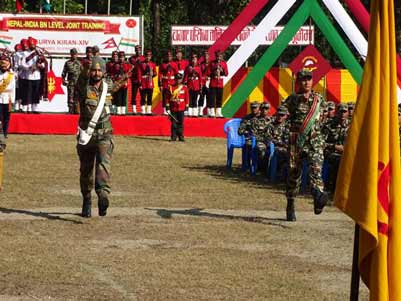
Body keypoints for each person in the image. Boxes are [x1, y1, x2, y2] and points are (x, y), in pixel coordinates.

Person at [282, 69, 328, 221]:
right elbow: (281, 115)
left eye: (309, 79)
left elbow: (324, 117)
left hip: (315, 142)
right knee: (294, 175)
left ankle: (318, 197)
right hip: (297, 143)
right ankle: (291, 203)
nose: (306, 82)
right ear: (298, 82)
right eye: (303, 79)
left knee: (316, 170)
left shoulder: (318, 99)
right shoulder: (292, 99)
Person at [76, 57, 114, 218]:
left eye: (99, 70)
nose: (96, 73)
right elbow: (82, 78)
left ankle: (103, 195)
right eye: (93, 70)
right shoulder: (84, 87)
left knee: (103, 166)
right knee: (86, 169)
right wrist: (86, 65)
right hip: (87, 135)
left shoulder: (108, 86)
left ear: (104, 72)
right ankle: (86, 200)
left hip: (105, 133)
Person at [322, 103, 349, 196]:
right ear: (337, 113)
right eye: (341, 112)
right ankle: (331, 189)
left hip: (347, 153)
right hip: (330, 153)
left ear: (348, 113)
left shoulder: (352, 126)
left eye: (345, 112)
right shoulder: (329, 125)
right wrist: (334, 146)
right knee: (337, 160)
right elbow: (322, 142)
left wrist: (344, 149)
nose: (342, 114)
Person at [264, 105, 290, 181]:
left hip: (287, 147)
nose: (280, 117)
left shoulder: (288, 125)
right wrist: (281, 143)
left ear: (286, 116)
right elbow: (268, 139)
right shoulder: (271, 125)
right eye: (279, 115)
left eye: (282, 115)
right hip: (275, 148)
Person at [166, 73, 189, 142]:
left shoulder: (184, 88)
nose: (178, 80)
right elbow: (167, 98)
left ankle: (181, 137)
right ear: (175, 79)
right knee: (174, 124)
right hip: (173, 108)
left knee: (181, 123)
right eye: (176, 79)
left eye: (179, 79)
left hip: (181, 108)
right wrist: (167, 108)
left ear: (181, 80)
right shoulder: (171, 88)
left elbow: (186, 98)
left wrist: (186, 106)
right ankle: (173, 137)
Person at [207, 50, 228, 117]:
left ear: (222, 56)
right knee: (212, 98)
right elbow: (208, 72)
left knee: (219, 98)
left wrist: (222, 71)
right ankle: (212, 112)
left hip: (220, 83)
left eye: (220, 56)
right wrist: (213, 71)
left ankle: (218, 112)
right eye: (217, 56)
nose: (218, 58)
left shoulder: (224, 63)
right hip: (213, 82)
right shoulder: (212, 63)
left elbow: (226, 73)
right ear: (216, 56)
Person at [61, 48, 82, 114]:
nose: (74, 56)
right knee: (70, 98)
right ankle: (70, 111)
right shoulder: (67, 63)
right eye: (73, 54)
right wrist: (63, 80)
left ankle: (77, 112)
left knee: (77, 98)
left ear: (77, 55)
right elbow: (64, 73)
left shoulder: (79, 63)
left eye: (75, 54)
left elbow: (83, 72)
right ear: (71, 54)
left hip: (78, 83)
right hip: (71, 83)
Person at [158, 50, 178, 115]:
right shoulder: (162, 64)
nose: (169, 57)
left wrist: (177, 83)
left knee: (172, 97)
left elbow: (176, 74)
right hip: (165, 83)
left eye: (170, 56)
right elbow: (160, 75)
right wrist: (160, 85)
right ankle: (165, 110)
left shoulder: (174, 64)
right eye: (167, 56)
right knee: (165, 97)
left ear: (172, 56)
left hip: (172, 83)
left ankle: (172, 109)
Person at [0, 54, 15, 137]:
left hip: (8, 99)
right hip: (0, 98)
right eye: (2, 64)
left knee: (6, 118)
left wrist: (12, 100)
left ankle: (5, 133)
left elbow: (13, 89)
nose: (4, 66)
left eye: (5, 64)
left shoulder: (11, 75)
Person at [137, 49, 156, 115]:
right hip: (143, 82)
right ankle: (143, 110)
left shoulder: (153, 64)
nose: (148, 57)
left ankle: (149, 110)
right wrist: (140, 83)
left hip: (150, 82)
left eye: (149, 56)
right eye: (147, 56)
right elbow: (139, 74)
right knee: (143, 97)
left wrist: (152, 74)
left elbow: (155, 73)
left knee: (149, 97)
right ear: (145, 56)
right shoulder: (141, 64)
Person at [128, 45, 145, 114]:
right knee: (134, 94)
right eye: (137, 50)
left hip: (142, 80)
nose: (138, 51)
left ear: (141, 50)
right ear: (135, 50)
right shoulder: (131, 59)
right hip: (134, 79)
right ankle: (133, 109)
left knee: (143, 94)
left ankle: (142, 109)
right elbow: (129, 67)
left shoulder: (143, 58)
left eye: (139, 50)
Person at [199, 49, 210, 117]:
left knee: (209, 97)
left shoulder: (211, 64)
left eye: (207, 55)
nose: (206, 57)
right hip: (202, 82)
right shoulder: (201, 64)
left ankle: (209, 111)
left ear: (209, 56)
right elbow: (199, 73)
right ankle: (200, 111)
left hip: (209, 82)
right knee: (201, 97)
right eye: (204, 55)